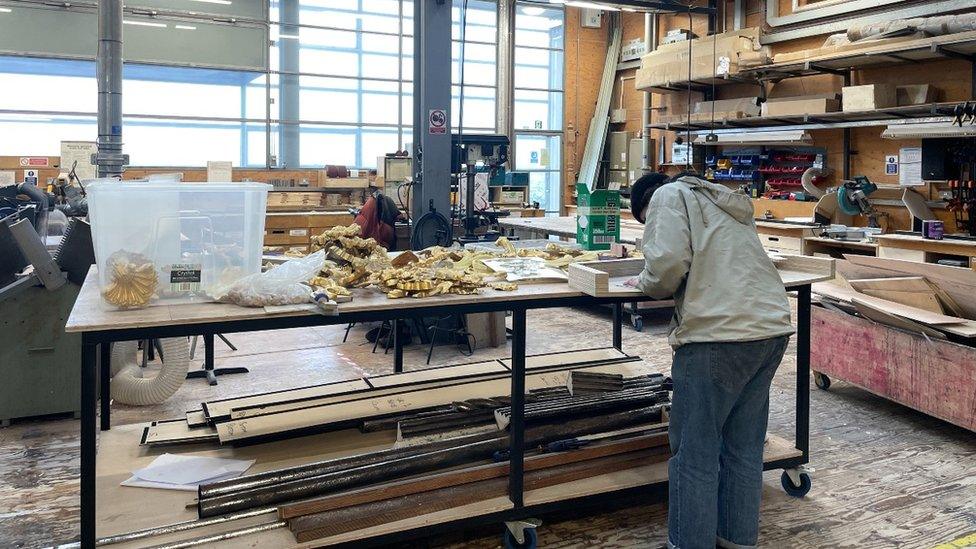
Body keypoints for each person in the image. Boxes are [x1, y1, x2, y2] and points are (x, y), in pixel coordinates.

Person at [627, 171, 794, 549]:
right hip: (768, 330)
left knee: (695, 454)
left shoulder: (669, 196)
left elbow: (667, 263)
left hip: (717, 335)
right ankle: (737, 540)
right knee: (743, 449)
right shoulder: (722, 201)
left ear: (647, 203)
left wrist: (644, 282)